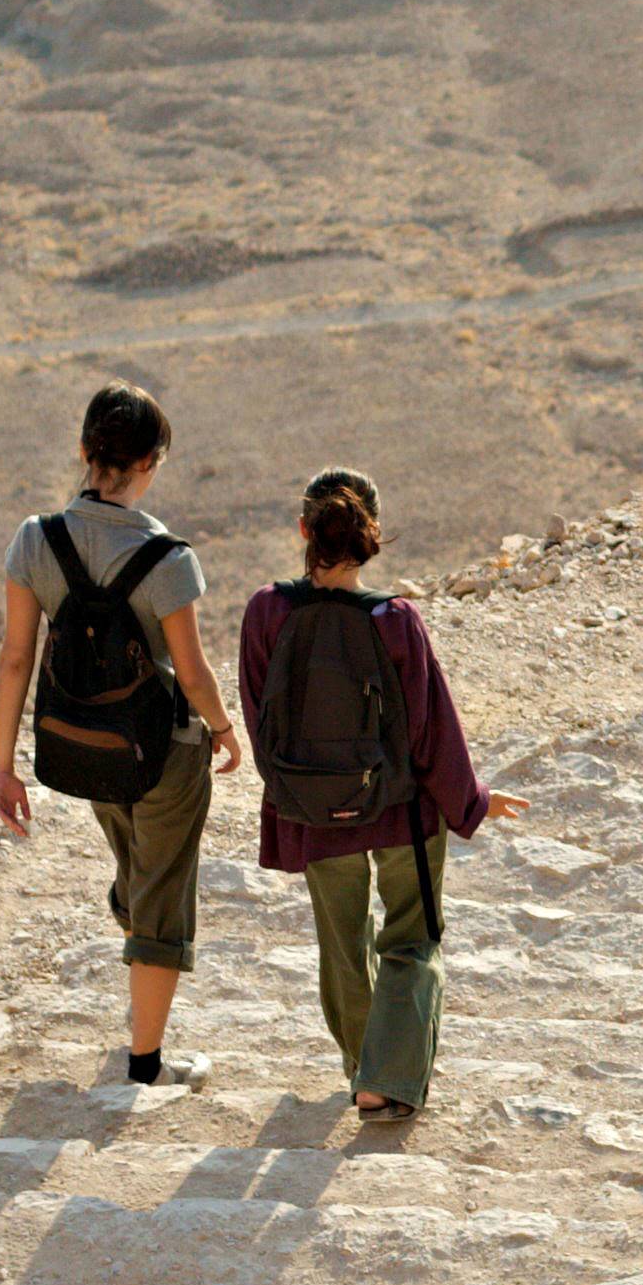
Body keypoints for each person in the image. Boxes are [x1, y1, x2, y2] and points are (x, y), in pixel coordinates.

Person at [239, 468, 521, 1119]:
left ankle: (363, 1068)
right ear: (372, 536)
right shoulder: (395, 620)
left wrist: (294, 798)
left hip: (314, 813)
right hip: (400, 814)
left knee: (342, 947)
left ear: (303, 531)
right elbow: (432, 731)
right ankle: (385, 1078)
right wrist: (471, 800)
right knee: (412, 940)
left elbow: (260, 718)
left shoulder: (266, 612)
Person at [0, 382, 245, 1088]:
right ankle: (146, 1066)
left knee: (139, 871)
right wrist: (225, 729)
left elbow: (14, 657)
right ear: (152, 464)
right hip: (162, 752)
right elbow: (190, 673)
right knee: (162, 896)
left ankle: (134, 915)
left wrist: (2, 765)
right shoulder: (168, 558)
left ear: (84, 450)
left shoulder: (33, 540)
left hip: (79, 744)